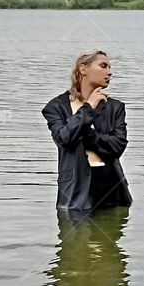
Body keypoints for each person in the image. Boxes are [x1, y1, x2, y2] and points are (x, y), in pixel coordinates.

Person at [42, 50, 132, 211]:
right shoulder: (56, 107)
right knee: (74, 235)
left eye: (110, 67)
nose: (109, 72)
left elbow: (118, 146)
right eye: (103, 66)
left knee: (111, 233)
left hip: (114, 194)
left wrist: (84, 132)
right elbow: (64, 139)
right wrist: (88, 107)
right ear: (83, 69)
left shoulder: (115, 107)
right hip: (75, 195)